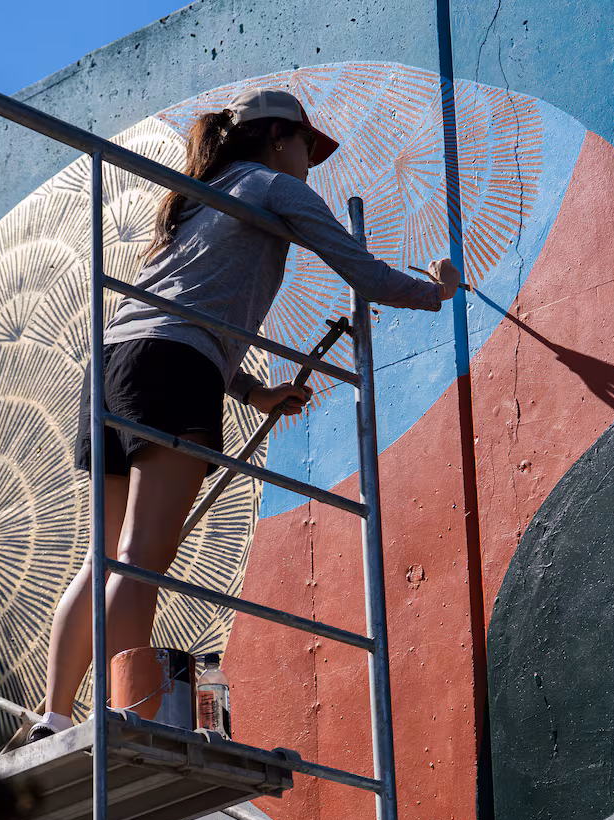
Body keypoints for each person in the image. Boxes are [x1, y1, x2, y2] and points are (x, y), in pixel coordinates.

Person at [31, 88, 460, 741]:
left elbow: (187, 308)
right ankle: (124, 715)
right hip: (173, 370)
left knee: (104, 559)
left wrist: (255, 394)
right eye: (307, 150)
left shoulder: (195, 199)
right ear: (278, 138)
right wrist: (437, 291)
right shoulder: (273, 187)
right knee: (142, 556)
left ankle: (53, 716)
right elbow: (365, 276)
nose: (310, 167)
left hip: (113, 369)